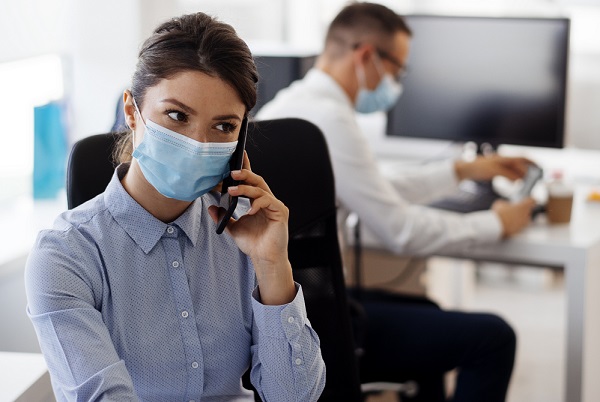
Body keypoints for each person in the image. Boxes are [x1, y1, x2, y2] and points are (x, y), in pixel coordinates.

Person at [25, 12, 325, 401]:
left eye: (223, 126)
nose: (198, 142)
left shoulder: (244, 236)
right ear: (132, 112)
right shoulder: (65, 256)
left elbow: (295, 398)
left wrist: (272, 266)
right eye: (177, 116)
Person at [256, 2, 536, 401]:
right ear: (367, 55)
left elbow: (371, 186)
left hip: (306, 304)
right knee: (494, 337)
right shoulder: (330, 120)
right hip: (320, 325)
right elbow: (400, 231)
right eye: (398, 70)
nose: (397, 82)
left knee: (431, 313)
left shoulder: (294, 104)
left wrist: (462, 170)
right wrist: (496, 224)